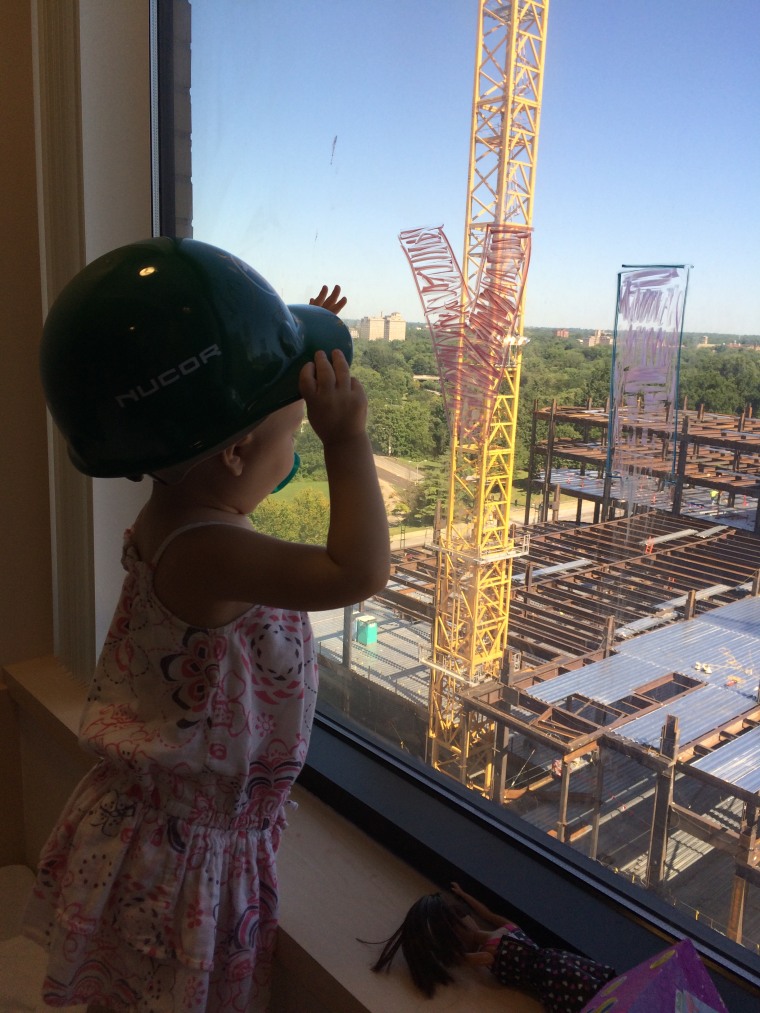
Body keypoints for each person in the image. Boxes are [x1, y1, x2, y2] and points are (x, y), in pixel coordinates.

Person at [23, 238, 390, 1012]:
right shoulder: (215, 554)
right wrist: (348, 439)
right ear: (231, 454)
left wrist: (276, 350)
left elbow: (217, 417)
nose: (298, 452)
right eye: (293, 437)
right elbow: (357, 572)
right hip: (182, 860)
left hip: (148, 833)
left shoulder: (171, 512)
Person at [370, 882, 616, 1012]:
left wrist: (464, 895)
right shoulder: (488, 954)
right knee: (583, 994)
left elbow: (486, 912)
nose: (464, 927)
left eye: (460, 917)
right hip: (549, 975)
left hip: (554, 961)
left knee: (592, 986)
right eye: (454, 932)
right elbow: (462, 958)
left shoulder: (503, 931)